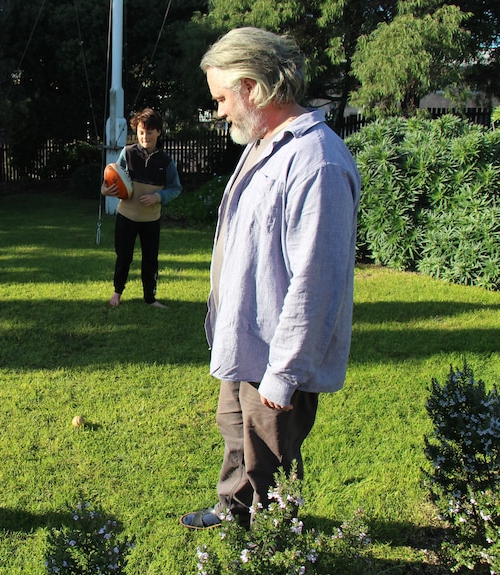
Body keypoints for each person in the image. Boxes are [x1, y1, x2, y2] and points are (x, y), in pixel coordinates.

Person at [179, 27, 361, 529]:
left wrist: (285, 372)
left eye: (221, 98)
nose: (219, 112)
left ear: (253, 88)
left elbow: (317, 283)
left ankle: (274, 541)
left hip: (277, 354)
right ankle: (233, 512)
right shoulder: (265, 146)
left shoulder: (316, 161)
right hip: (247, 339)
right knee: (238, 436)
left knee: (271, 453)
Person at [102, 108, 182, 308]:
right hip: (126, 216)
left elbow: (176, 188)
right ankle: (117, 292)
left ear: (159, 132)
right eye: (141, 132)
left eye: (150, 131)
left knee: (150, 260)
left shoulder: (166, 162)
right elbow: (112, 176)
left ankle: (150, 298)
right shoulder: (127, 153)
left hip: (150, 220)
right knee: (124, 257)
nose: (145, 136)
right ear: (136, 132)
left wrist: (158, 196)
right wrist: (105, 190)